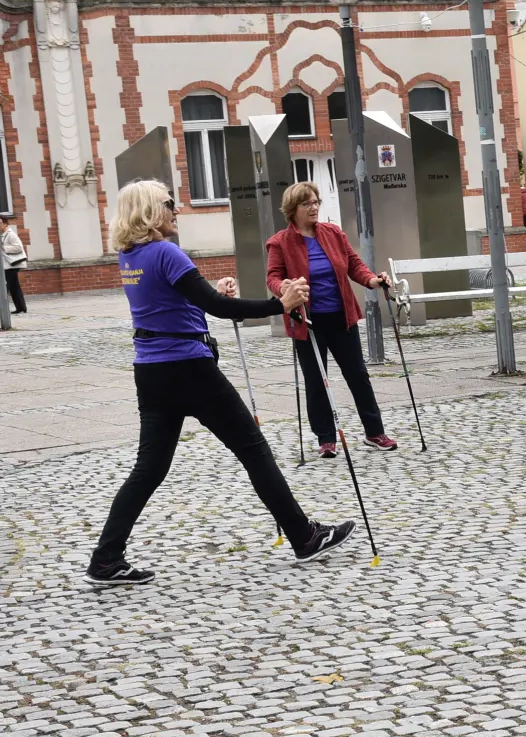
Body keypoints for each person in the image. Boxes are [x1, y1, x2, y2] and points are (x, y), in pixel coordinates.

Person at [86, 180, 356, 586]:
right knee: (253, 449)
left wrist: (212, 292)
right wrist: (278, 305)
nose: (176, 210)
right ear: (148, 212)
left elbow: (178, 304)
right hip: (190, 369)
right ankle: (305, 536)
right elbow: (215, 307)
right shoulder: (165, 251)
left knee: (149, 469)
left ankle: (105, 559)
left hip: (153, 371)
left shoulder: (131, 256)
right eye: (169, 203)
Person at [266, 182, 397, 458]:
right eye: (307, 204)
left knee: (358, 375)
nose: (314, 208)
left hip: (341, 317)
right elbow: (273, 277)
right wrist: (285, 288)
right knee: (316, 380)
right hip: (307, 322)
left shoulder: (333, 233)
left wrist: (372, 280)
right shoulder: (280, 242)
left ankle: (374, 432)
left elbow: (353, 264)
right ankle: (326, 439)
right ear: (293, 209)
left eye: (316, 202)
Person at [1, 215, 27, 314]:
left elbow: (18, 247)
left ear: (5, 223)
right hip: (7, 264)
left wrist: (5, 248)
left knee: (5, 287)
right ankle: (21, 307)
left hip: (11, 265)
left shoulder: (10, 234)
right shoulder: (2, 234)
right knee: (14, 286)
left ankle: (3, 311)